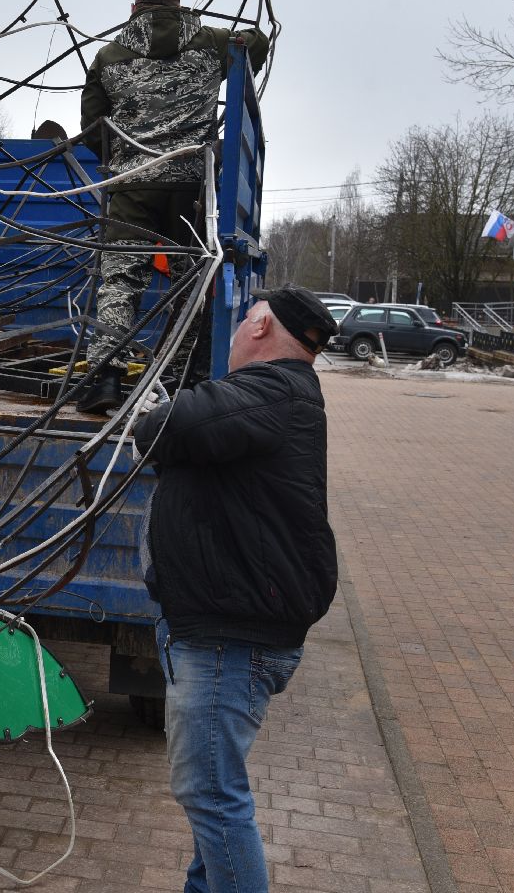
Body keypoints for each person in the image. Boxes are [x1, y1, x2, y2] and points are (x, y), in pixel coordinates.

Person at [132, 284, 338, 892]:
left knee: (213, 797)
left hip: (230, 639)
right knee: (213, 798)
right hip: (224, 628)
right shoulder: (278, 398)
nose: (239, 325)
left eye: (247, 316)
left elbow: (169, 429)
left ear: (259, 330)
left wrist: (152, 408)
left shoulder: (272, 393)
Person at [74, 0, 269, 414]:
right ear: (181, 8)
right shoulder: (211, 43)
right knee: (189, 280)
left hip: (132, 185)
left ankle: (105, 378)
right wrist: (234, 37)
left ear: (134, 7)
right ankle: (183, 378)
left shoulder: (108, 55)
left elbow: (92, 129)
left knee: (122, 279)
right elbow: (257, 44)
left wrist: (127, 156)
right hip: (191, 187)